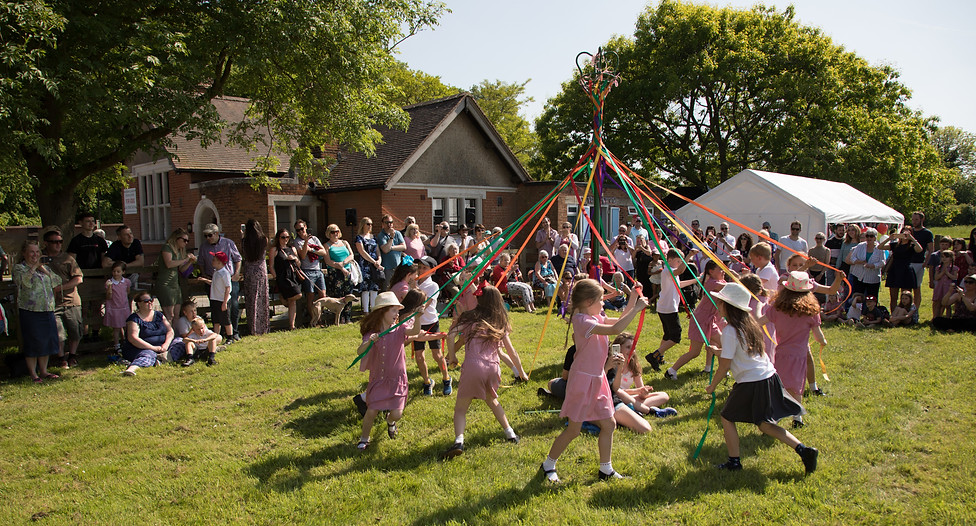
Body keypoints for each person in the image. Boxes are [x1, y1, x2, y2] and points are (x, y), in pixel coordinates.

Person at [540, 278, 649, 483]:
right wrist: (636, 309)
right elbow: (616, 330)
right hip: (582, 382)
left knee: (609, 424)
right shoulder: (583, 322)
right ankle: (548, 464)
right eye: (600, 300)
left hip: (598, 380)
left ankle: (605, 469)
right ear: (589, 302)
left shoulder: (594, 316)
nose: (603, 304)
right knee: (573, 430)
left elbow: (619, 320)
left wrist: (634, 299)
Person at [704, 282, 818, 474]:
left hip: (752, 382)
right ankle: (804, 450)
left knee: (726, 417)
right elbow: (740, 353)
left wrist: (712, 386)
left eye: (721, 302)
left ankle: (734, 461)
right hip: (768, 377)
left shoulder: (730, 331)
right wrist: (718, 351)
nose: (718, 305)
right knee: (764, 424)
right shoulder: (748, 324)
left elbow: (725, 365)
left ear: (728, 306)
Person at [441, 285, 526, 457]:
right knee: (493, 400)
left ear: (479, 300)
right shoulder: (500, 321)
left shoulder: (469, 317)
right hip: (493, 368)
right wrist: (521, 372)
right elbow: (512, 351)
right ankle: (510, 433)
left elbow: (450, 335)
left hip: (473, 367)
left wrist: (452, 357)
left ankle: (459, 441)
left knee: (460, 409)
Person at [355, 291, 429, 450]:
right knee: (372, 410)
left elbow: (414, 332)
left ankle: (390, 421)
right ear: (383, 312)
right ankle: (364, 439)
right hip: (379, 378)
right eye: (394, 310)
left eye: (398, 310)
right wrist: (370, 341)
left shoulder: (400, 329)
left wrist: (417, 318)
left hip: (397, 378)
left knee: (397, 413)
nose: (397, 314)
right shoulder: (372, 333)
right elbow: (360, 352)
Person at [758, 272, 826, 428]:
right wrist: (823, 342)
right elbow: (818, 336)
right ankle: (797, 418)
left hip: (781, 353)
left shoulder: (777, 309)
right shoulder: (810, 313)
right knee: (797, 386)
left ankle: (775, 416)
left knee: (780, 385)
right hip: (800, 355)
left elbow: (760, 322)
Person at [666, 260, 726, 380]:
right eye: (720, 269)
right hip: (700, 320)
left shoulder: (720, 281)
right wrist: (741, 280)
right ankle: (671, 371)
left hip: (710, 321)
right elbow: (730, 288)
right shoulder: (712, 283)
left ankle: (724, 370)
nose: (723, 271)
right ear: (711, 271)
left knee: (724, 343)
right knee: (695, 352)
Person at [13, 240, 62, 382]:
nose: (35, 255)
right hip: (30, 311)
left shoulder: (43, 268)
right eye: (31, 252)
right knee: (33, 341)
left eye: (37, 252)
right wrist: (34, 267)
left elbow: (57, 281)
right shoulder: (19, 268)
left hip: (47, 309)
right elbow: (24, 282)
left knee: (46, 341)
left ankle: (44, 371)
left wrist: (44, 269)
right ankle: (33, 374)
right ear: (24, 253)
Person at [646, 250, 700, 371]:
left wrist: (696, 280)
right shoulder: (668, 270)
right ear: (669, 260)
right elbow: (680, 270)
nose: (680, 264)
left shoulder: (671, 272)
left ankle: (659, 357)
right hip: (668, 308)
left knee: (668, 334)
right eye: (678, 261)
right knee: (676, 336)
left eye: (681, 262)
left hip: (665, 307)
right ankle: (654, 355)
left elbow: (678, 284)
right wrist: (689, 255)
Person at [42, 229, 83, 369]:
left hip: (71, 300)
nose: (58, 245)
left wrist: (60, 288)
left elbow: (78, 278)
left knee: (75, 331)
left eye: (60, 242)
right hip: (51, 303)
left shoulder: (67, 259)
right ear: (46, 243)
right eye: (54, 242)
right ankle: (61, 359)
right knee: (58, 333)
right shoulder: (40, 259)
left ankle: (72, 356)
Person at [121, 291, 185, 376]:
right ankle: (132, 369)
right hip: (141, 349)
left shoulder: (159, 315)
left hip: (162, 347)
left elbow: (170, 331)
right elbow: (133, 338)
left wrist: (166, 344)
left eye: (151, 300)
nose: (150, 302)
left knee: (181, 341)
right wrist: (153, 348)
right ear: (139, 304)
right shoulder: (134, 319)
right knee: (148, 354)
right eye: (146, 301)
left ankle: (160, 359)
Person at [413, 256, 451, 396]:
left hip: (431, 322)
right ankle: (427, 382)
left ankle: (446, 378)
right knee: (419, 356)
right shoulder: (413, 282)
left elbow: (425, 304)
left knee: (437, 354)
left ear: (432, 271)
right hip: (417, 324)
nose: (421, 270)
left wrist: (413, 288)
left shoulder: (433, 285)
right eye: (419, 267)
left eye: (425, 268)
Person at [197, 224, 243, 340]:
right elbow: (201, 263)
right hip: (213, 280)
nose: (208, 238)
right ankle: (220, 334)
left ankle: (234, 333)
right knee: (216, 309)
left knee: (232, 306)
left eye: (210, 235)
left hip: (229, 280)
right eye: (205, 235)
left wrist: (236, 273)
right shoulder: (204, 247)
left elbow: (238, 259)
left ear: (217, 234)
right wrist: (204, 275)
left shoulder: (228, 243)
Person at [156, 228, 197, 322]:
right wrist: (185, 259)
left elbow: (182, 269)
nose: (186, 243)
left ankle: (177, 336)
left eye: (188, 240)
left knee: (177, 315)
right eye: (184, 240)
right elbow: (169, 264)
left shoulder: (180, 251)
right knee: (169, 316)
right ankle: (169, 335)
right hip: (165, 284)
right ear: (176, 238)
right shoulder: (167, 247)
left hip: (175, 284)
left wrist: (190, 262)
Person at [293, 219, 327, 325]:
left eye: (302, 229)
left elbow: (323, 252)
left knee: (323, 295)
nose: (300, 232)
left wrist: (311, 250)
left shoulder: (315, 239)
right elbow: (302, 255)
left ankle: (320, 318)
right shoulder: (297, 241)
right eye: (297, 230)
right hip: (307, 271)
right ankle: (314, 320)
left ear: (306, 227)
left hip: (318, 270)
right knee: (310, 296)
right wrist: (306, 243)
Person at [269, 228, 303, 330]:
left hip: (292, 276)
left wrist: (295, 259)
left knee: (293, 300)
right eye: (283, 237)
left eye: (287, 237)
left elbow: (299, 264)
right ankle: (284, 299)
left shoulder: (292, 249)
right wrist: (275, 277)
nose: (285, 239)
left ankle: (292, 325)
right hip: (282, 277)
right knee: (298, 294)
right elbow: (271, 266)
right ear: (278, 238)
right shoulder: (274, 250)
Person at [241, 219, 270, 335]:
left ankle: (252, 327)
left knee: (251, 299)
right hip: (260, 270)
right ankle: (263, 327)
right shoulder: (264, 240)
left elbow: (244, 254)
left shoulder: (244, 241)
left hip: (249, 271)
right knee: (262, 298)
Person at [885, 226, 924, 313]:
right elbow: (880, 247)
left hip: (906, 270)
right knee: (893, 296)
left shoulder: (911, 246)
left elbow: (920, 249)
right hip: (895, 270)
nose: (905, 235)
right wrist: (889, 238)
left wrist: (912, 239)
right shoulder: (895, 245)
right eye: (903, 232)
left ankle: (904, 315)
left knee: (906, 296)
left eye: (908, 232)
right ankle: (894, 314)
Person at [323, 223, 356, 323]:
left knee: (348, 294)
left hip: (347, 271)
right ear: (329, 233)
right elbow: (328, 261)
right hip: (335, 272)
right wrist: (341, 267)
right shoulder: (327, 245)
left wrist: (344, 263)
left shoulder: (345, 243)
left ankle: (348, 317)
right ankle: (339, 317)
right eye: (333, 232)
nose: (335, 234)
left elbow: (351, 255)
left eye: (337, 231)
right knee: (338, 295)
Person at [353, 217, 384, 314]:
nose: (370, 226)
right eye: (368, 224)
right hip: (365, 264)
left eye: (371, 224)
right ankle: (366, 311)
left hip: (375, 265)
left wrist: (379, 259)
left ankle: (374, 309)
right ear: (363, 225)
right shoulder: (359, 238)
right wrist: (373, 262)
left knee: (374, 287)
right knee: (365, 288)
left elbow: (377, 250)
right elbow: (362, 252)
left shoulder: (373, 237)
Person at [846, 227, 886, 300]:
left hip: (873, 278)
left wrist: (873, 266)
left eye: (871, 236)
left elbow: (882, 262)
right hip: (858, 275)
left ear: (875, 238)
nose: (869, 238)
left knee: (871, 298)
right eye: (867, 236)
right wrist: (859, 262)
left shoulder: (880, 248)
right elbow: (852, 258)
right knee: (857, 297)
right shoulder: (860, 246)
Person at [103, 261, 132, 351]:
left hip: (124, 307)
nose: (116, 273)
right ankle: (117, 345)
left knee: (126, 326)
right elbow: (108, 297)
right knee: (116, 328)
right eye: (114, 271)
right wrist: (109, 289)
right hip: (115, 308)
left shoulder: (126, 282)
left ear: (123, 272)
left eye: (118, 271)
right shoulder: (109, 282)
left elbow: (127, 292)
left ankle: (128, 343)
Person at [909, 211, 935, 310]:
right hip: (908, 261)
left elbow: (931, 249)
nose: (914, 222)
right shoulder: (910, 231)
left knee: (916, 287)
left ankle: (915, 309)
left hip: (919, 262)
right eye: (912, 219)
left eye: (916, 219)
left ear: (921, 219)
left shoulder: (927, 233)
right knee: (907, 287)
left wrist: (925, 263)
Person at [376, 215, 406, 289]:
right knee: (388, 288)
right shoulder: (381, 235)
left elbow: (404, 247)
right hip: (387, 268)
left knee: (398, 288)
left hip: (398, 266)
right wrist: (391, 237)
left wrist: (391, 248)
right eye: (387, 222)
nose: (389, 224)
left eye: (391, 222)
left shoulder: (398, 233)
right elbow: (385, 250)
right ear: (383, 224)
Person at [208, 251, 234, 339]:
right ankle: (215, 337)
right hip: (214, 299)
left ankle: (230, 337)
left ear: (219, 262)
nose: (212, 261)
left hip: (222, 300)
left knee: (226, 320)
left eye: (214, 260)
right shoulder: (216, 272)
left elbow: (228, 287)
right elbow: (215, 283)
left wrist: (225, 302)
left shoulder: (225, 273)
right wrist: (205, 280)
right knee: (216, 320)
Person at [931, 250, 959, 319]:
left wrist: (947, 273)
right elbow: (936, 277)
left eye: (946, 257)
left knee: (947, 304)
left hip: (948, 288)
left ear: (951, 258)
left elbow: (955, 277)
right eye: (942, 257)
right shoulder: (939, 267)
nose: (944, 259)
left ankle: (947, 318)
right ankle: (936, 317)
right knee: (938, 303)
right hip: (940, 287)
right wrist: (942, 272)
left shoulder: (954, 268)